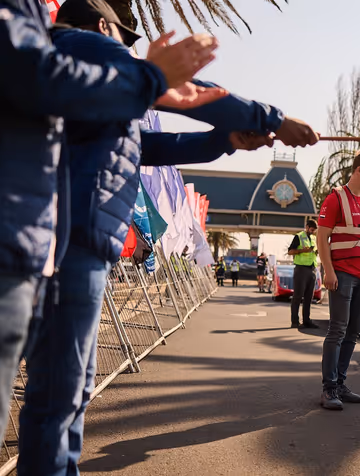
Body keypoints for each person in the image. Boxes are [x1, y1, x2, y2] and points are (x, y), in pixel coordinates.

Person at [0, 0, 220, 442]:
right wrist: (155, 78)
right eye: (123, 37)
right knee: (59, 398)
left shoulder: (103, 88)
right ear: (103, 26)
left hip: (70, 246)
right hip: (68, 246)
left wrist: (222, 142)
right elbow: (171, 121)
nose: (126, 50)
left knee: (69, 394)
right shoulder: (83, 71)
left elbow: (149, 147)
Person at [317, 150, 360, 410]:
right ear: (359, 169)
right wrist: (329, 271)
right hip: (342, 275)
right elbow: (321, 237)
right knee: (337, 330)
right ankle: (329, 388)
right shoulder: (335, 198)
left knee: (353, 332)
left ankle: (341, 383)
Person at [288, 220, 320, 329]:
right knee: (297, 296)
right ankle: (294, 321)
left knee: (309, 297)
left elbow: (315, 251)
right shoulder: (299, 237)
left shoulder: (314, 238)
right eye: (311, 229)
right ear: (307, 227)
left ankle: (307, 321)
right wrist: (302, 250)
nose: (313, 232)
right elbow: (290, 251)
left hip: (312, 269)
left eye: (314, 230)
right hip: (301, 269)